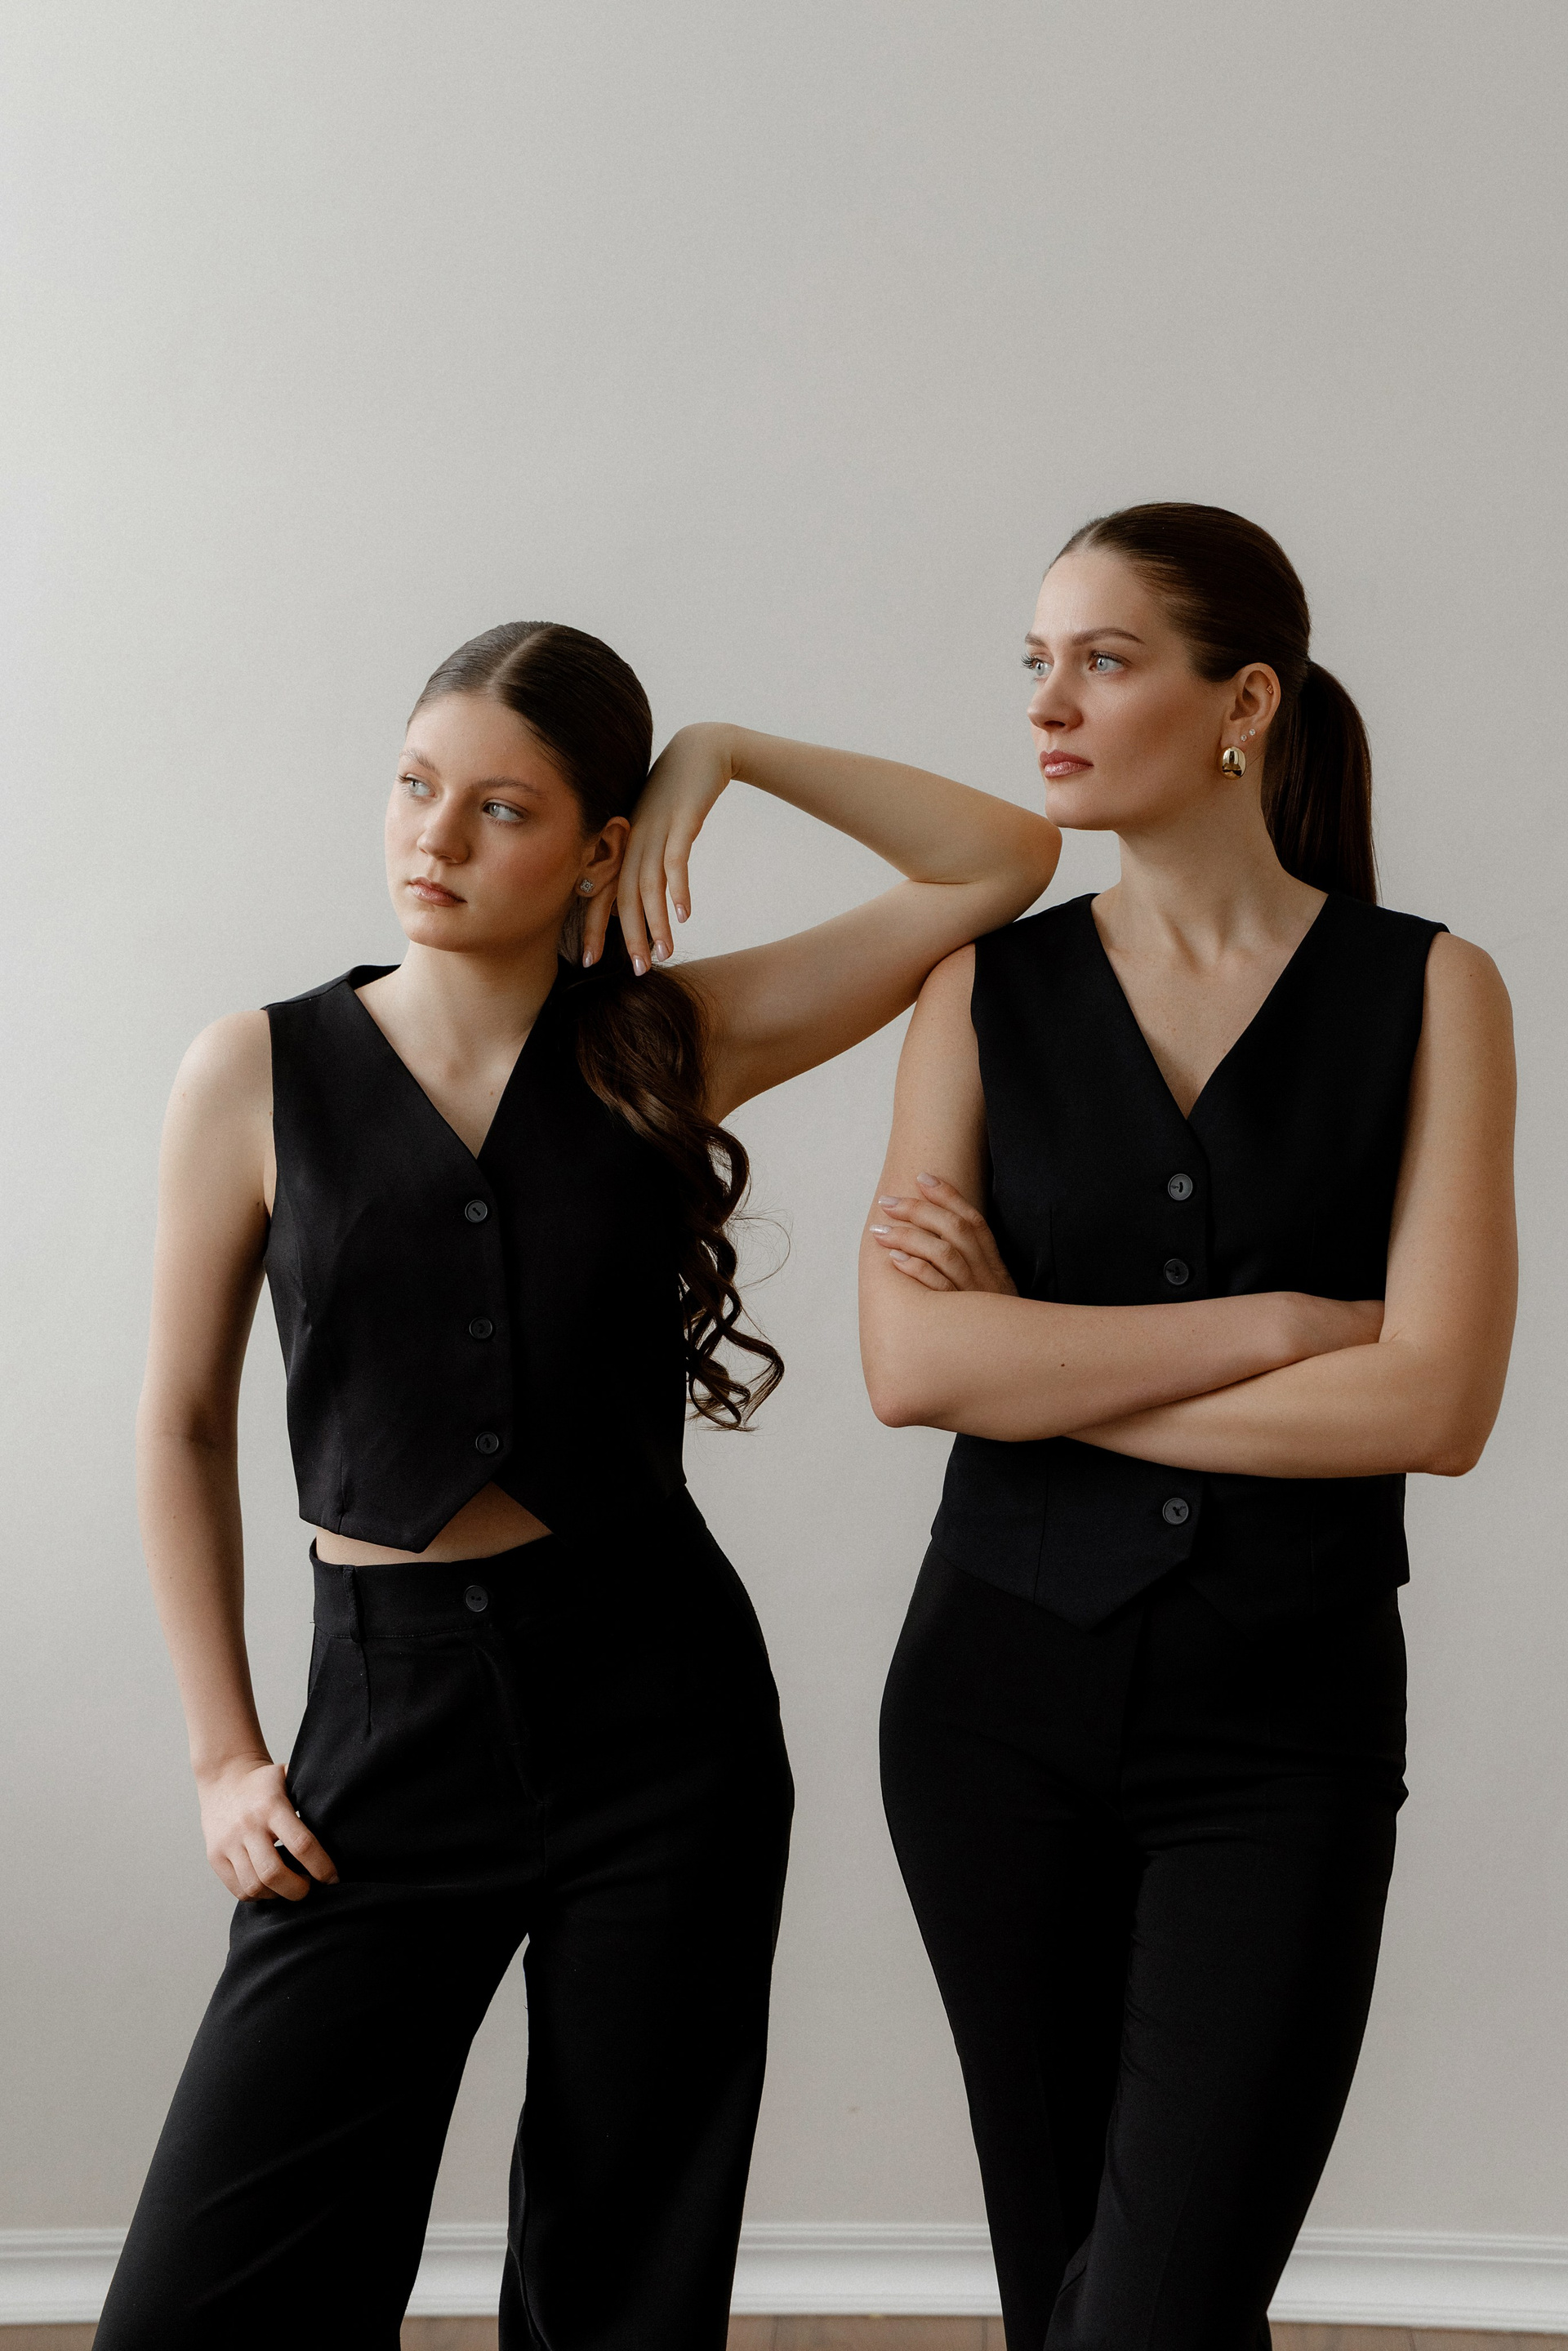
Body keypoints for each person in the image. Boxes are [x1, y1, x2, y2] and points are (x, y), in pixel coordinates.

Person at [97, 620, 1058, 2351]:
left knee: (624, 2278)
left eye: (502, 809)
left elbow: (998, 861)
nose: (434, 838)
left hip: (660, 1717)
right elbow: (177, 1424)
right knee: (200, 2304)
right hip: (385, 1718)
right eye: (415, 786)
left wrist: (727, 753)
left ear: (601, 849)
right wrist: (224, 1755)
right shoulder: (256, 1070)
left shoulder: (669, 1039)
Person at [860, 505, 1517, 2351]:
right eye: (1035, 663)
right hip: (988, 1715)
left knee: (1152, 2311)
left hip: (1284, 1731)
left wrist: (1048, 1370)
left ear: (1247, 702)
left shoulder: (1433, 990)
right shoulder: (979, 989)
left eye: (1104, 660)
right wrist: (1280, 1334)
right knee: (1065, 2288)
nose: (1048, 705)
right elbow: (913, 1369)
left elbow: (1437, 1403)